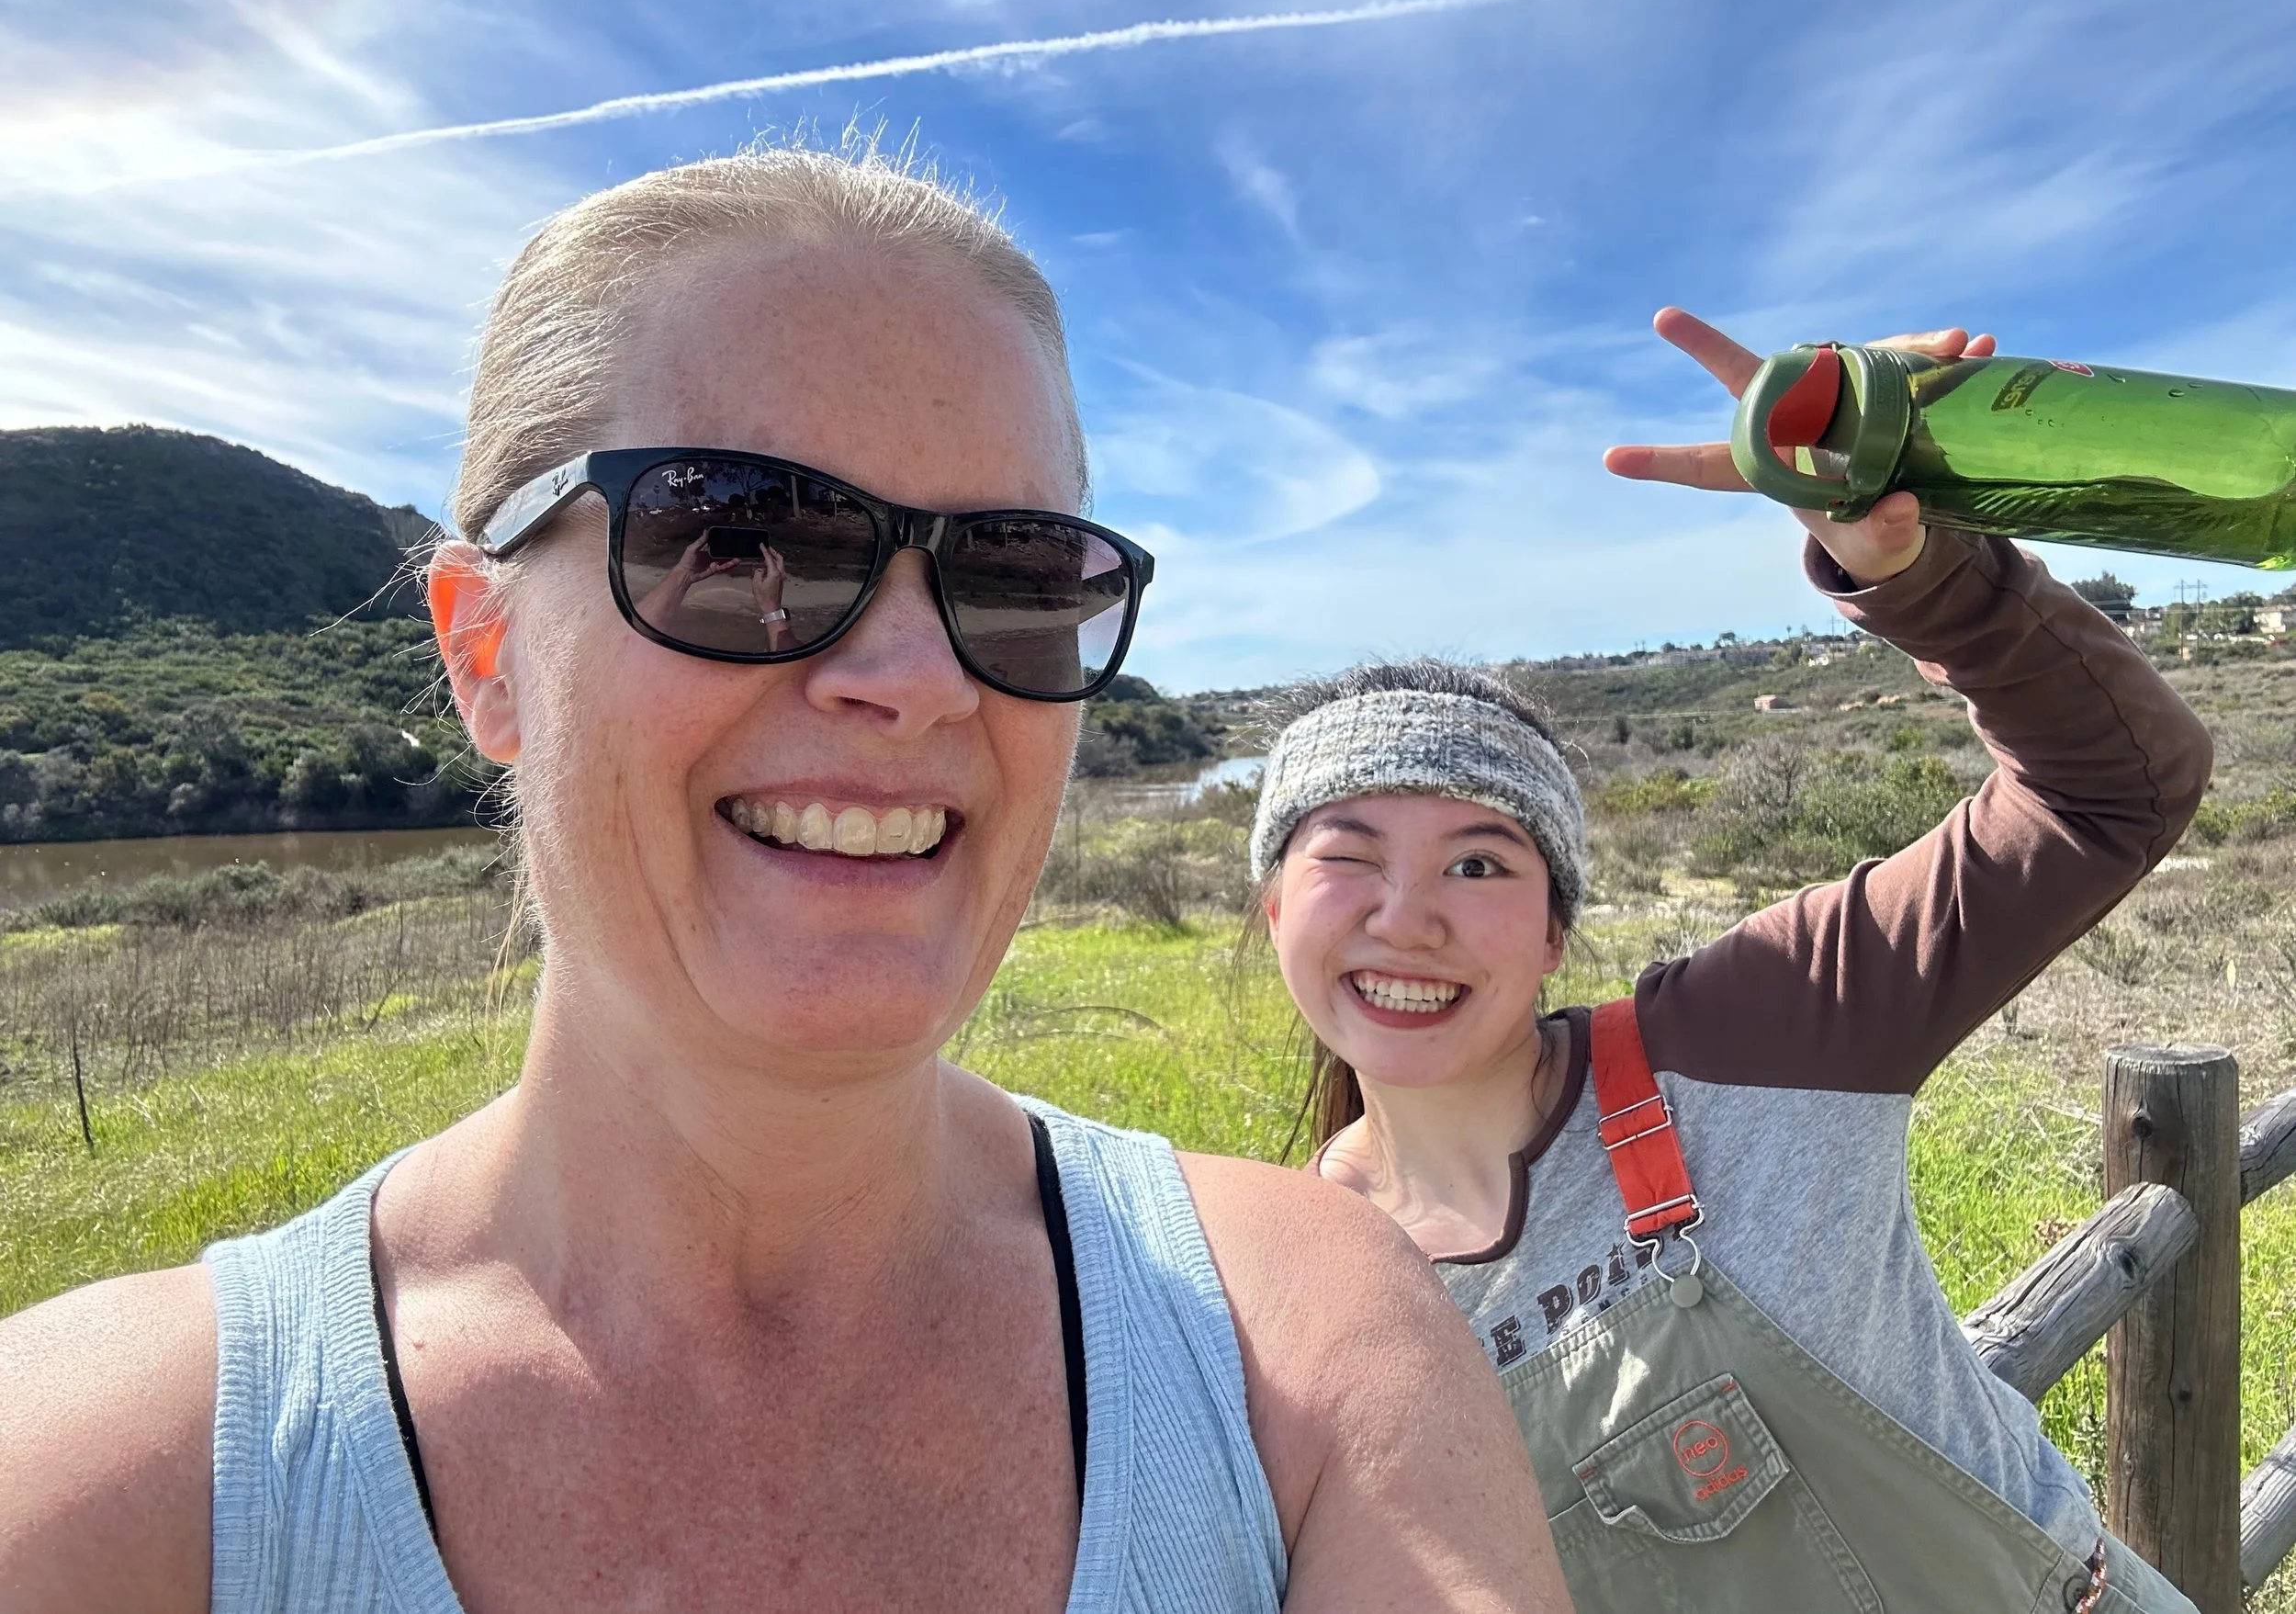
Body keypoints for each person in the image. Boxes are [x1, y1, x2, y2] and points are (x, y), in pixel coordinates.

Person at [0, 147, 1570, 1613]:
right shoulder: (115, 1481)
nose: (917, 676)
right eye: (741, 543)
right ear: (487, 651)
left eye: (1015, 577)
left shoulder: (1307, 1341)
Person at [1249, 309, 2212, 1612]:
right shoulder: (1284, 1295)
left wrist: (1922, 572)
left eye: (1480, 864)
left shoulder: (1752, 1031)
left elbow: (2113, 793)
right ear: (1273, 910)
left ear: (1555, 927)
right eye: (1348, 857)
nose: (1408, 918)